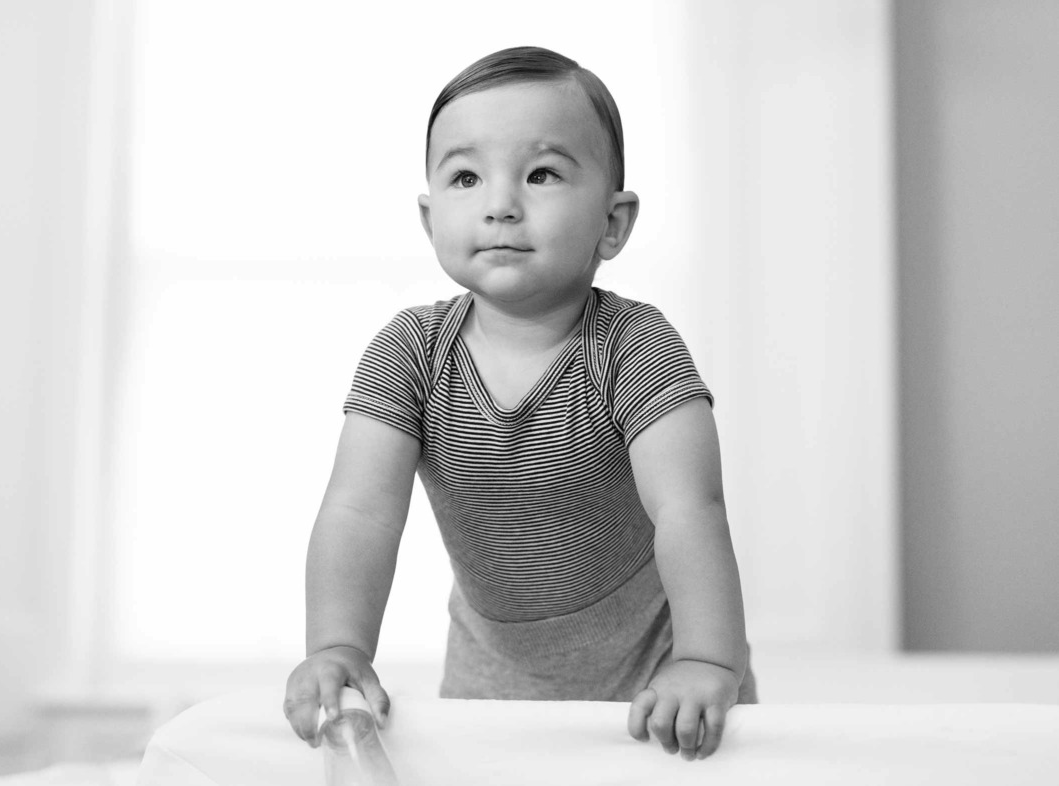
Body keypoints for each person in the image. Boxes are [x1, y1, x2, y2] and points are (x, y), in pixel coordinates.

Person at [283, 45, 756, 762]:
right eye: (466, 176)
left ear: (613, 222)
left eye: (542, 173)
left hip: (659, 665)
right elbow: (360, 511)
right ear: (429, 216)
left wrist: (708, 661)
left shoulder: (633, 346)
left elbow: (690, 508)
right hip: (492, 675)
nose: (501, 203)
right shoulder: (411, 351)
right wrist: (338, 646)